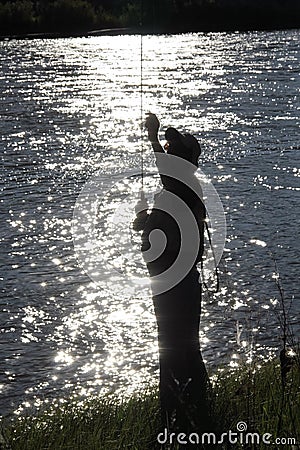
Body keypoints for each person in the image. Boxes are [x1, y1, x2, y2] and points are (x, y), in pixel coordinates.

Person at [133, 113, 211, 434]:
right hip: (171, 283)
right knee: (178, 343)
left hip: (176, 285)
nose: (168, 148)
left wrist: (151, 135)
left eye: (173, 148)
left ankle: (180, 413)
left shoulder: (186, 185)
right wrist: (145, 221)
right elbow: (160, 226)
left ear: (187, 160)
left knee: (177, 344)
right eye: (168, 144)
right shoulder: (179, 190)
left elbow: (166, 170)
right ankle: (187, 408)